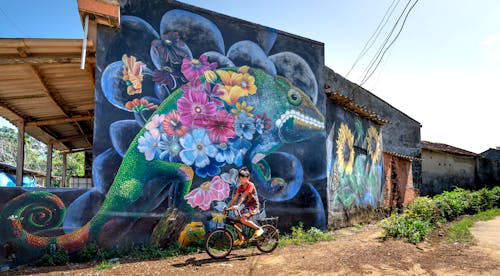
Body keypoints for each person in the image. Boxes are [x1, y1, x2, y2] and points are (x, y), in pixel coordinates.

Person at [227, 167, 264, 246]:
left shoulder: (250, 185)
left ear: (248, 178)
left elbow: (243, 196)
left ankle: (259, 229)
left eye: (243, 178)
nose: (241, 180)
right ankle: (241, 239)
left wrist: (238, 205)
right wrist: (228, 208)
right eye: (240, 178)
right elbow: (235, 198)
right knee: (236, 221)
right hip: (247, 206)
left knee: (243, 219)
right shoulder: (240, 187)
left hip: (254, 206)